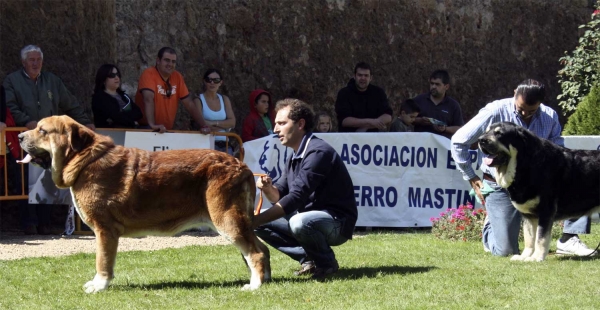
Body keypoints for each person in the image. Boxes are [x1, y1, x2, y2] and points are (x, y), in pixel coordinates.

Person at [451, 79, 595, 257]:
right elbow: (458, 141)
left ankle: (568, 239)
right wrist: (472, 177)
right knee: (506, 251)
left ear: (540, 103)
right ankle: (492, 226)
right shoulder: (495, 111)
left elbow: (559, 152)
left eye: (531, 111)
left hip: (537, 183)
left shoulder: (549, 116)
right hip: (499, 185)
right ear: (514, 94)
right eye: (521, 109)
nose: (526, 113)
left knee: (579, 179)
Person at [253, 98, 358, 280]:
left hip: (337, 222)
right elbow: (280, 194)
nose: (276, 129)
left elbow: (296, 197)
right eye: (276, 123)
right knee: (259, 221)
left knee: (298, 222)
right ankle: (309, 259)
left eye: (282, 123)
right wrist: (268, 188)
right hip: (313, 219)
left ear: (300, 124)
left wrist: (254, 220)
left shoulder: (318, 152)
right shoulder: (296, 154)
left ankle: (326, 265)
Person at [3, 45, 94, 235]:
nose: (35, 63)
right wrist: (26, 122)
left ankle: (45, 223)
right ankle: (29, 223)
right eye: (31, 60)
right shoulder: (12, 81)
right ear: (23, 62)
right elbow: (9, 106)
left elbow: (70, 103)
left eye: (38, 59)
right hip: (24, 140)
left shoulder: (53, 81)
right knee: (23, 182)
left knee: (46, 179)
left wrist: (85, 123)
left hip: (48, 142)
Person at [135, 46, 210, 134]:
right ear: (158, 61)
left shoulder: (177, 77)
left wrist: (204, 125)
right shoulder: (149, 73)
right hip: (148, 128)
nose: (170, 64)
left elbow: (189, 104)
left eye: (173, 61)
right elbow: (148, 99)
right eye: (167, 60)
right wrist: (152, 125)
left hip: (167, 130)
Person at [335, 62, 393, 132]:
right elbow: (344, 121)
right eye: (360, 75)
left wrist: (366, 127)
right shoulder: (344, 93)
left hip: (373, 139)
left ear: (370, 78)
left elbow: (388, 116)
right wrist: (370, 121)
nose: (363, 78)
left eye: (366, 75)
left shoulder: (378, 92)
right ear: (354, 76)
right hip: (348, 139)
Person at [193, 69, 236, 153]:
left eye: (216, 80)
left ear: (221, 82)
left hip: (225, 145)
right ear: (204, 82)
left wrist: (213, 123)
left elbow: (232, 122)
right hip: (207, 146)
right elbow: (202, 124)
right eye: (209, 80)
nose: (212, 83)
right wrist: (224, 126)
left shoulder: (225, 99)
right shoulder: (198, 100)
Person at [413, 70, 464, 138]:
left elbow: (460, 128)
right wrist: (420, 120)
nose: (433, 86)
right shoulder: (419, 100)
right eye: (432, 83)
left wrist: (445, 129)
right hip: (421, 145)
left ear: (446, 87)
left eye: (437, 84)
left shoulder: (453, 105)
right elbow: (406, 118)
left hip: (442, 145)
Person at [91, 64, 143, 128]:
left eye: (117, 74)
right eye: (112, 75)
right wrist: (132, 121)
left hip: (129, 131)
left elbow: (138, 113)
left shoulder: (124, 96)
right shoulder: (99, 98)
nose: (116, 78)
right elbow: (115, 116)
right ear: (103, 79)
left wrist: (124, 117)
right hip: (110, 134)